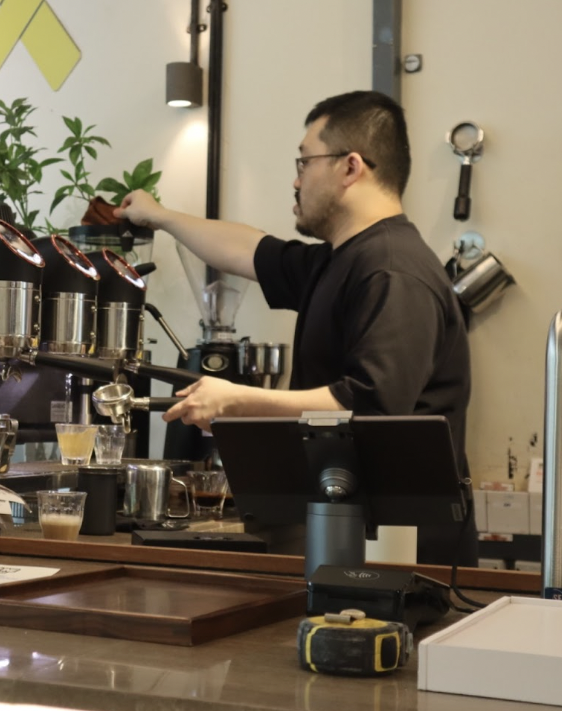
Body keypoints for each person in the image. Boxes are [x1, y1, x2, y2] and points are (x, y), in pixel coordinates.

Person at [115, 90, 475, 566]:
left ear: (350, 167)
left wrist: (236, 401)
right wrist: (160, 216)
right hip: (351, 536)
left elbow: (367, 406)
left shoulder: (392, 270)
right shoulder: (341, 260)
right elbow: (248, 249)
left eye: (305, 162)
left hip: (404, 561)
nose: (296, 179)